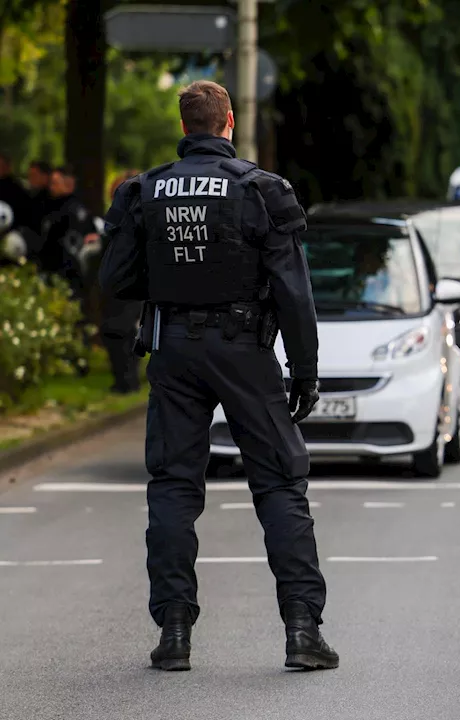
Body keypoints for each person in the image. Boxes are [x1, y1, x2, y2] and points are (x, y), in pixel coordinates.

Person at [98, 80, 338, 672]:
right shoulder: (261, 190)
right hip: (245, 351)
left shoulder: (144, 192)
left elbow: (116, 281)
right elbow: (293, 294)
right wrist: (303, 373)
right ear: (227, 121)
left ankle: (174, 633)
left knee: (174, 487)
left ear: (185, 127)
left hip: (174, 352)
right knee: (280, 484)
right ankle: (302, 631)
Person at [99, 169, 145, 393]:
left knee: (127, 333)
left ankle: (128, 382)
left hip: (133, 289)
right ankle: (122, 381)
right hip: (115, 289)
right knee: (112, 332)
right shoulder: (112, 219)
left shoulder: (142, 218)